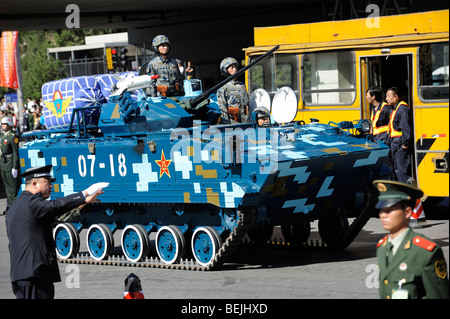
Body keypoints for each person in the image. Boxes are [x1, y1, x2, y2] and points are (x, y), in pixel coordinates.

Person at [6, 165, 105, 299]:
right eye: (48, 182)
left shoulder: (16, 207)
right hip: (35, 274)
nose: (51, 186)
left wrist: (85, 202)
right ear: (34, 184)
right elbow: (56, 205)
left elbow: (59, 217)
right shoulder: (32, 203)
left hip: (20, 275)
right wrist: (84, 193)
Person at [373, 180, 449, 299]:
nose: (383, 215)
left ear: (407, 212)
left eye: (390, 209)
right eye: (382, 210)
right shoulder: (382, 248)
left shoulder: (424, 252)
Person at [385, 87, 412, 184]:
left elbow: (405, 128)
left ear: (396, 96)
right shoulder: (395, 109)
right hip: (395, 144)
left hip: (400, 145)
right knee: (397, 171)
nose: (386, 99)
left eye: (388, 96)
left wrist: (405, 143)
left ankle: (409, 195)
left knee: (402, 172)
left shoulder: (402, 109)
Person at [217, 57, 249, 124]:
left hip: (244, 121)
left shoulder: (242, 85)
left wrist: (248, 118)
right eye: (232, 67)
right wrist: (227, 123)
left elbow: (247, 104)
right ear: (225, 70)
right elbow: (222, 107)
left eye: (235, 67)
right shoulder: (223, 87)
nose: (235, 69)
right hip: (232, 122)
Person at [0, 116, 21, 214]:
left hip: (10, 164)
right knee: (7, 187)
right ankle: (9, 207)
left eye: (4, 124)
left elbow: (16, 153)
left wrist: (15, 167)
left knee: (13, 189)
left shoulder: (13, 136)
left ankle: (14, 209)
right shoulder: (2, 136)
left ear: (9, 125)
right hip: (3, 164)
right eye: (2, 124)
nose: (2, 126)